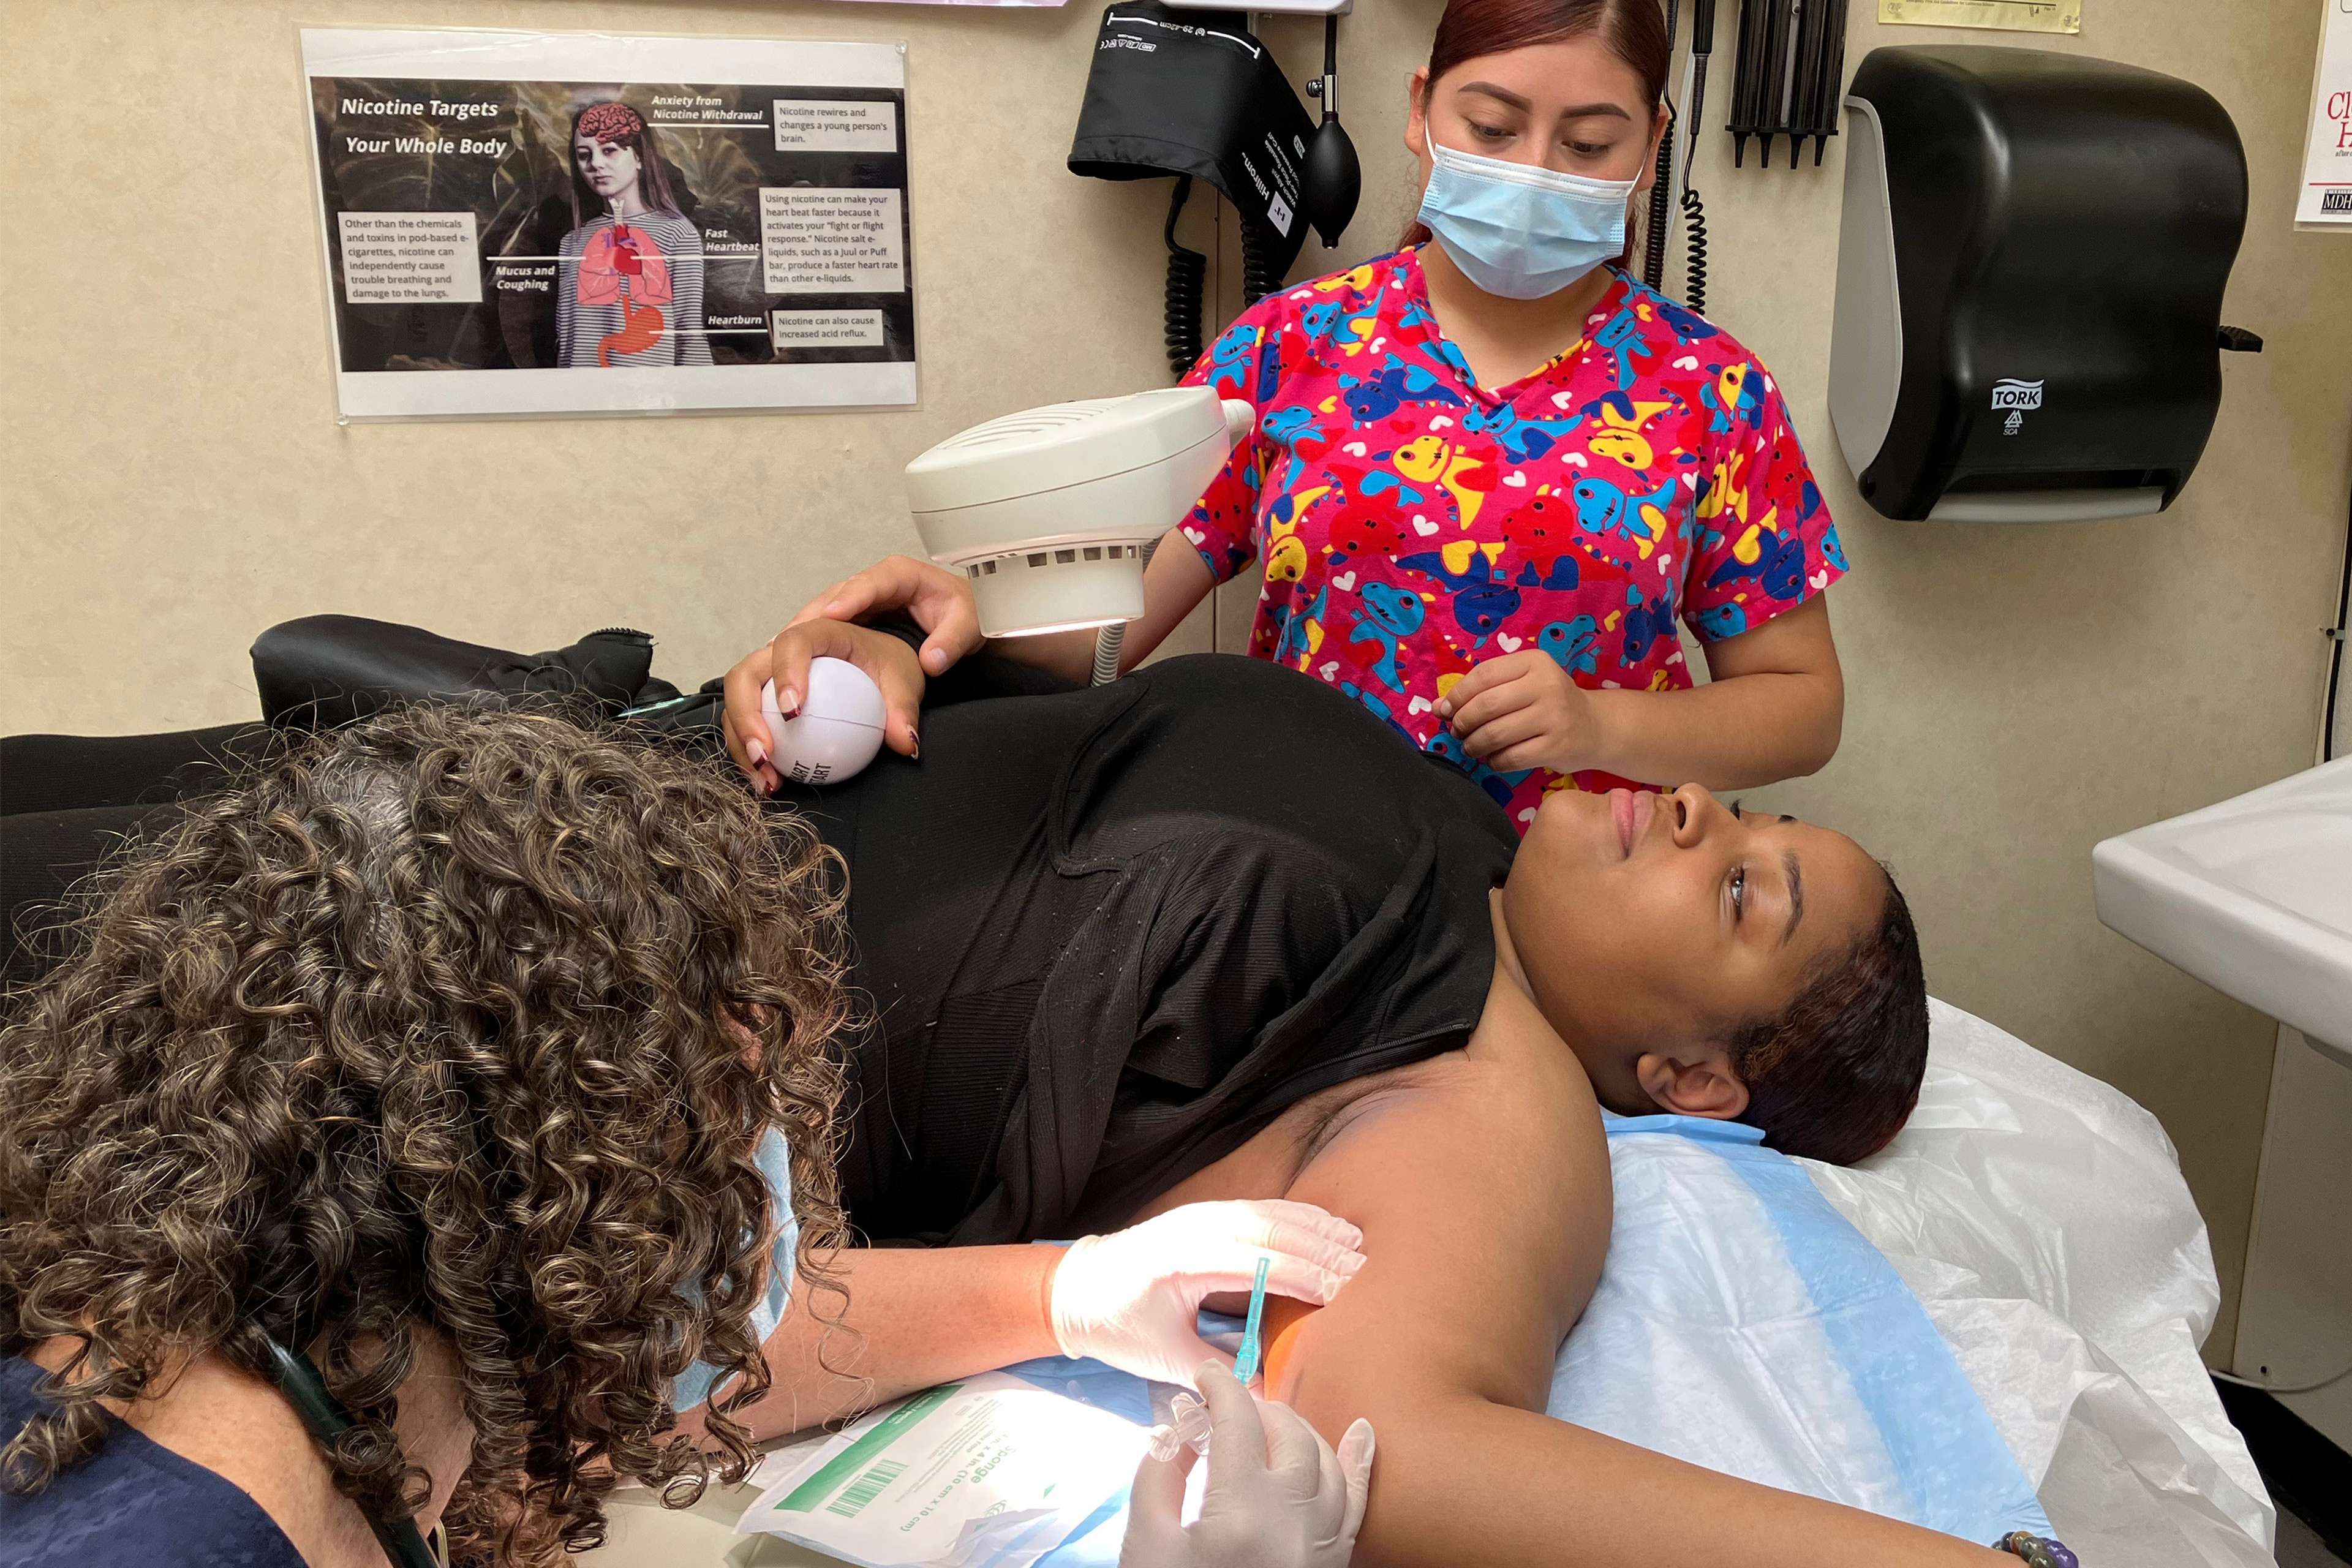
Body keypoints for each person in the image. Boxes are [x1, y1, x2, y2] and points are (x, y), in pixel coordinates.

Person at [0, 707, 1369, 1568]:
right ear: (577, 1169)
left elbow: (649, 1363)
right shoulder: (210, 1532)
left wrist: (1063, 1289)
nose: (766, 1144)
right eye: (737, 1094)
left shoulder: (266, 1330)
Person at [743, 0, 1849, 829]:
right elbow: (1116, 626)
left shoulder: (1712, 392)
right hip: (1314, 878)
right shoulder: (1290, 350)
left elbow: (1803, 709)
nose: (1534, 172)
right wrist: (942, 633)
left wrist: (1606, 725)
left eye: (1588, 145)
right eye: (1494, 124)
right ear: (1419, 113)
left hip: (1587, 918)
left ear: (1651, 147)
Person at [555, 101, 713, 369]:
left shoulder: (676, 233)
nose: (596, 164)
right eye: (584, 155)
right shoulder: (572, 242)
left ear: (639, 157)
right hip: (582, 397)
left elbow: (689, 331)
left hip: (650, 396)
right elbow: (566, 337)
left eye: (610, 150)